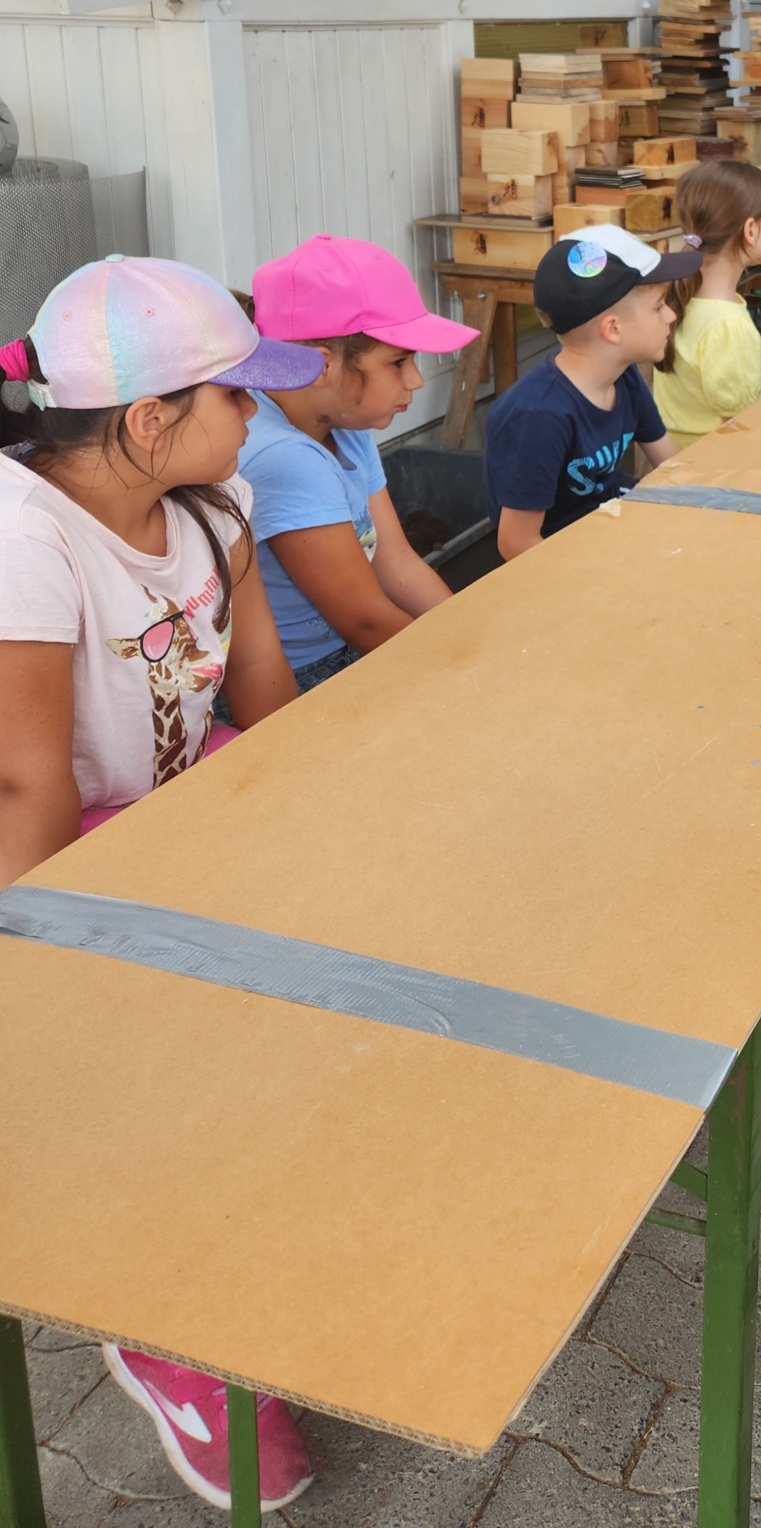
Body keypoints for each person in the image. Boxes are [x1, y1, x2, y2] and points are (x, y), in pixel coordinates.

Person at [0, 256, 320, 1509]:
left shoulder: (214, 500)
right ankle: (151, 1314)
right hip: (63, 848)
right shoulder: (22, 540)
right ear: (147, 420)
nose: (258, 416)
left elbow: (267, 701)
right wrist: (46, 989)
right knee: (154, 1081)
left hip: (180, 824)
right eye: (237, 394)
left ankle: (236, 1261)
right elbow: (27, 788)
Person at [236, 235, 478, 691]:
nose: (417, 380)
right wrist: (463, 666)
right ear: (320, 365)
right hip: (305, 677)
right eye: (398, 362)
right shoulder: (284, 457)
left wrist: (468, 634)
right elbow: (364, 620)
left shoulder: (344, 420)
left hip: (357, 645)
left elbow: (396, 562)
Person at [483, 226, 697, 559]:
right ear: (613, 329)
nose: (671, 315)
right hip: (563, 563)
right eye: (658, 307)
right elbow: (516, 544)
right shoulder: (538, 418)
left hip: (609, 528)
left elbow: (673, 468)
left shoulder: (623, 377)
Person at [652, 159, 761, 446]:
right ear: (751, 230)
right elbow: (742, 426)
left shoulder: (678, 295)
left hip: (683, 465)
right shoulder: (727, 326)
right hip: (716, 474)